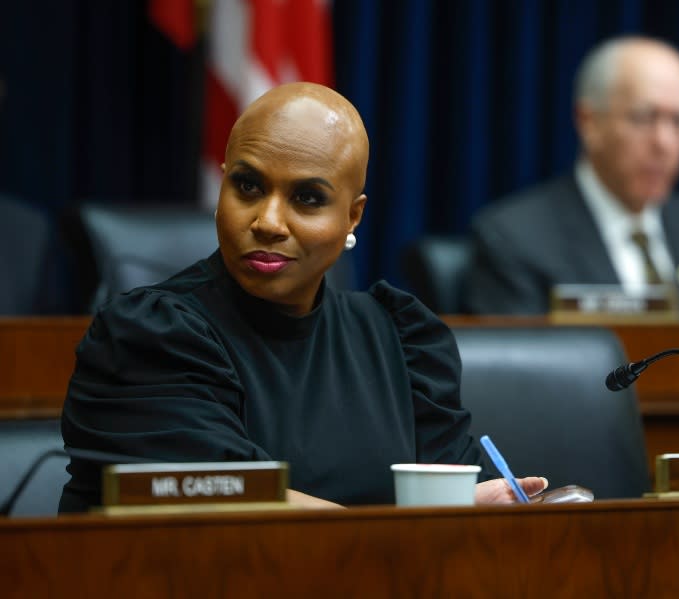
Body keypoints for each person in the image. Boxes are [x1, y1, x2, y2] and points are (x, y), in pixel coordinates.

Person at [59, 82, 547, 512]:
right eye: (247, 186)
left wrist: (477, 508)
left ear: (353, 217)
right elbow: (231, 501)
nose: (268, 222)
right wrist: (393, 533)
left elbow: (452, 499)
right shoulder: (146, 335)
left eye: (307, 198)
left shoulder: (401, 340)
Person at [463, 36, 679, 319]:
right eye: (644, 117)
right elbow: (519, 366)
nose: (664, 142)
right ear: (589, 122)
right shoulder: (516, 237)